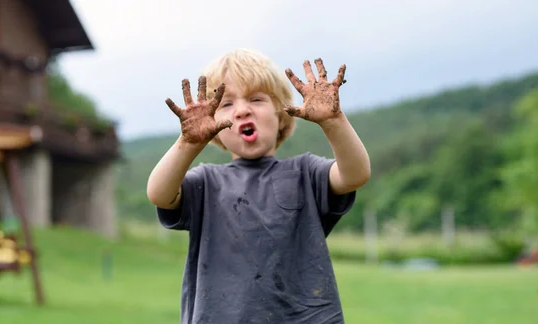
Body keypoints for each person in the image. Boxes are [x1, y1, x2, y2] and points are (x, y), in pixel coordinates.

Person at [146, 48, 371, 324]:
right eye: (226, 104)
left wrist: (333, 121)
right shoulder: (205, 182)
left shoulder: (306, 173)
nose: (242, 110)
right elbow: (159, 193)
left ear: (281, 114)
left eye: (256, 99)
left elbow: (355, 174)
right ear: (212, 124)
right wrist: (189, 143)